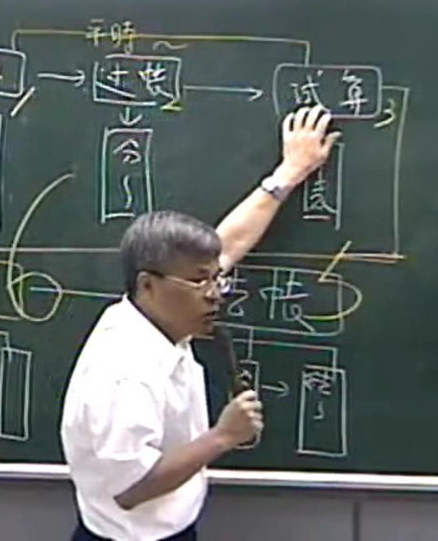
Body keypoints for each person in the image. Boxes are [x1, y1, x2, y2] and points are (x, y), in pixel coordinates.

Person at [60, 105, 340, 541]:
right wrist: (223, 436)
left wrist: (289, 172)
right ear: (149, 284)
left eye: (215, 278)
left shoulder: (152, 313)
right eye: (200, 281)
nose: (215, 292)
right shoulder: (125, 373)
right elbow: (130, 489)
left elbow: (228, 243)